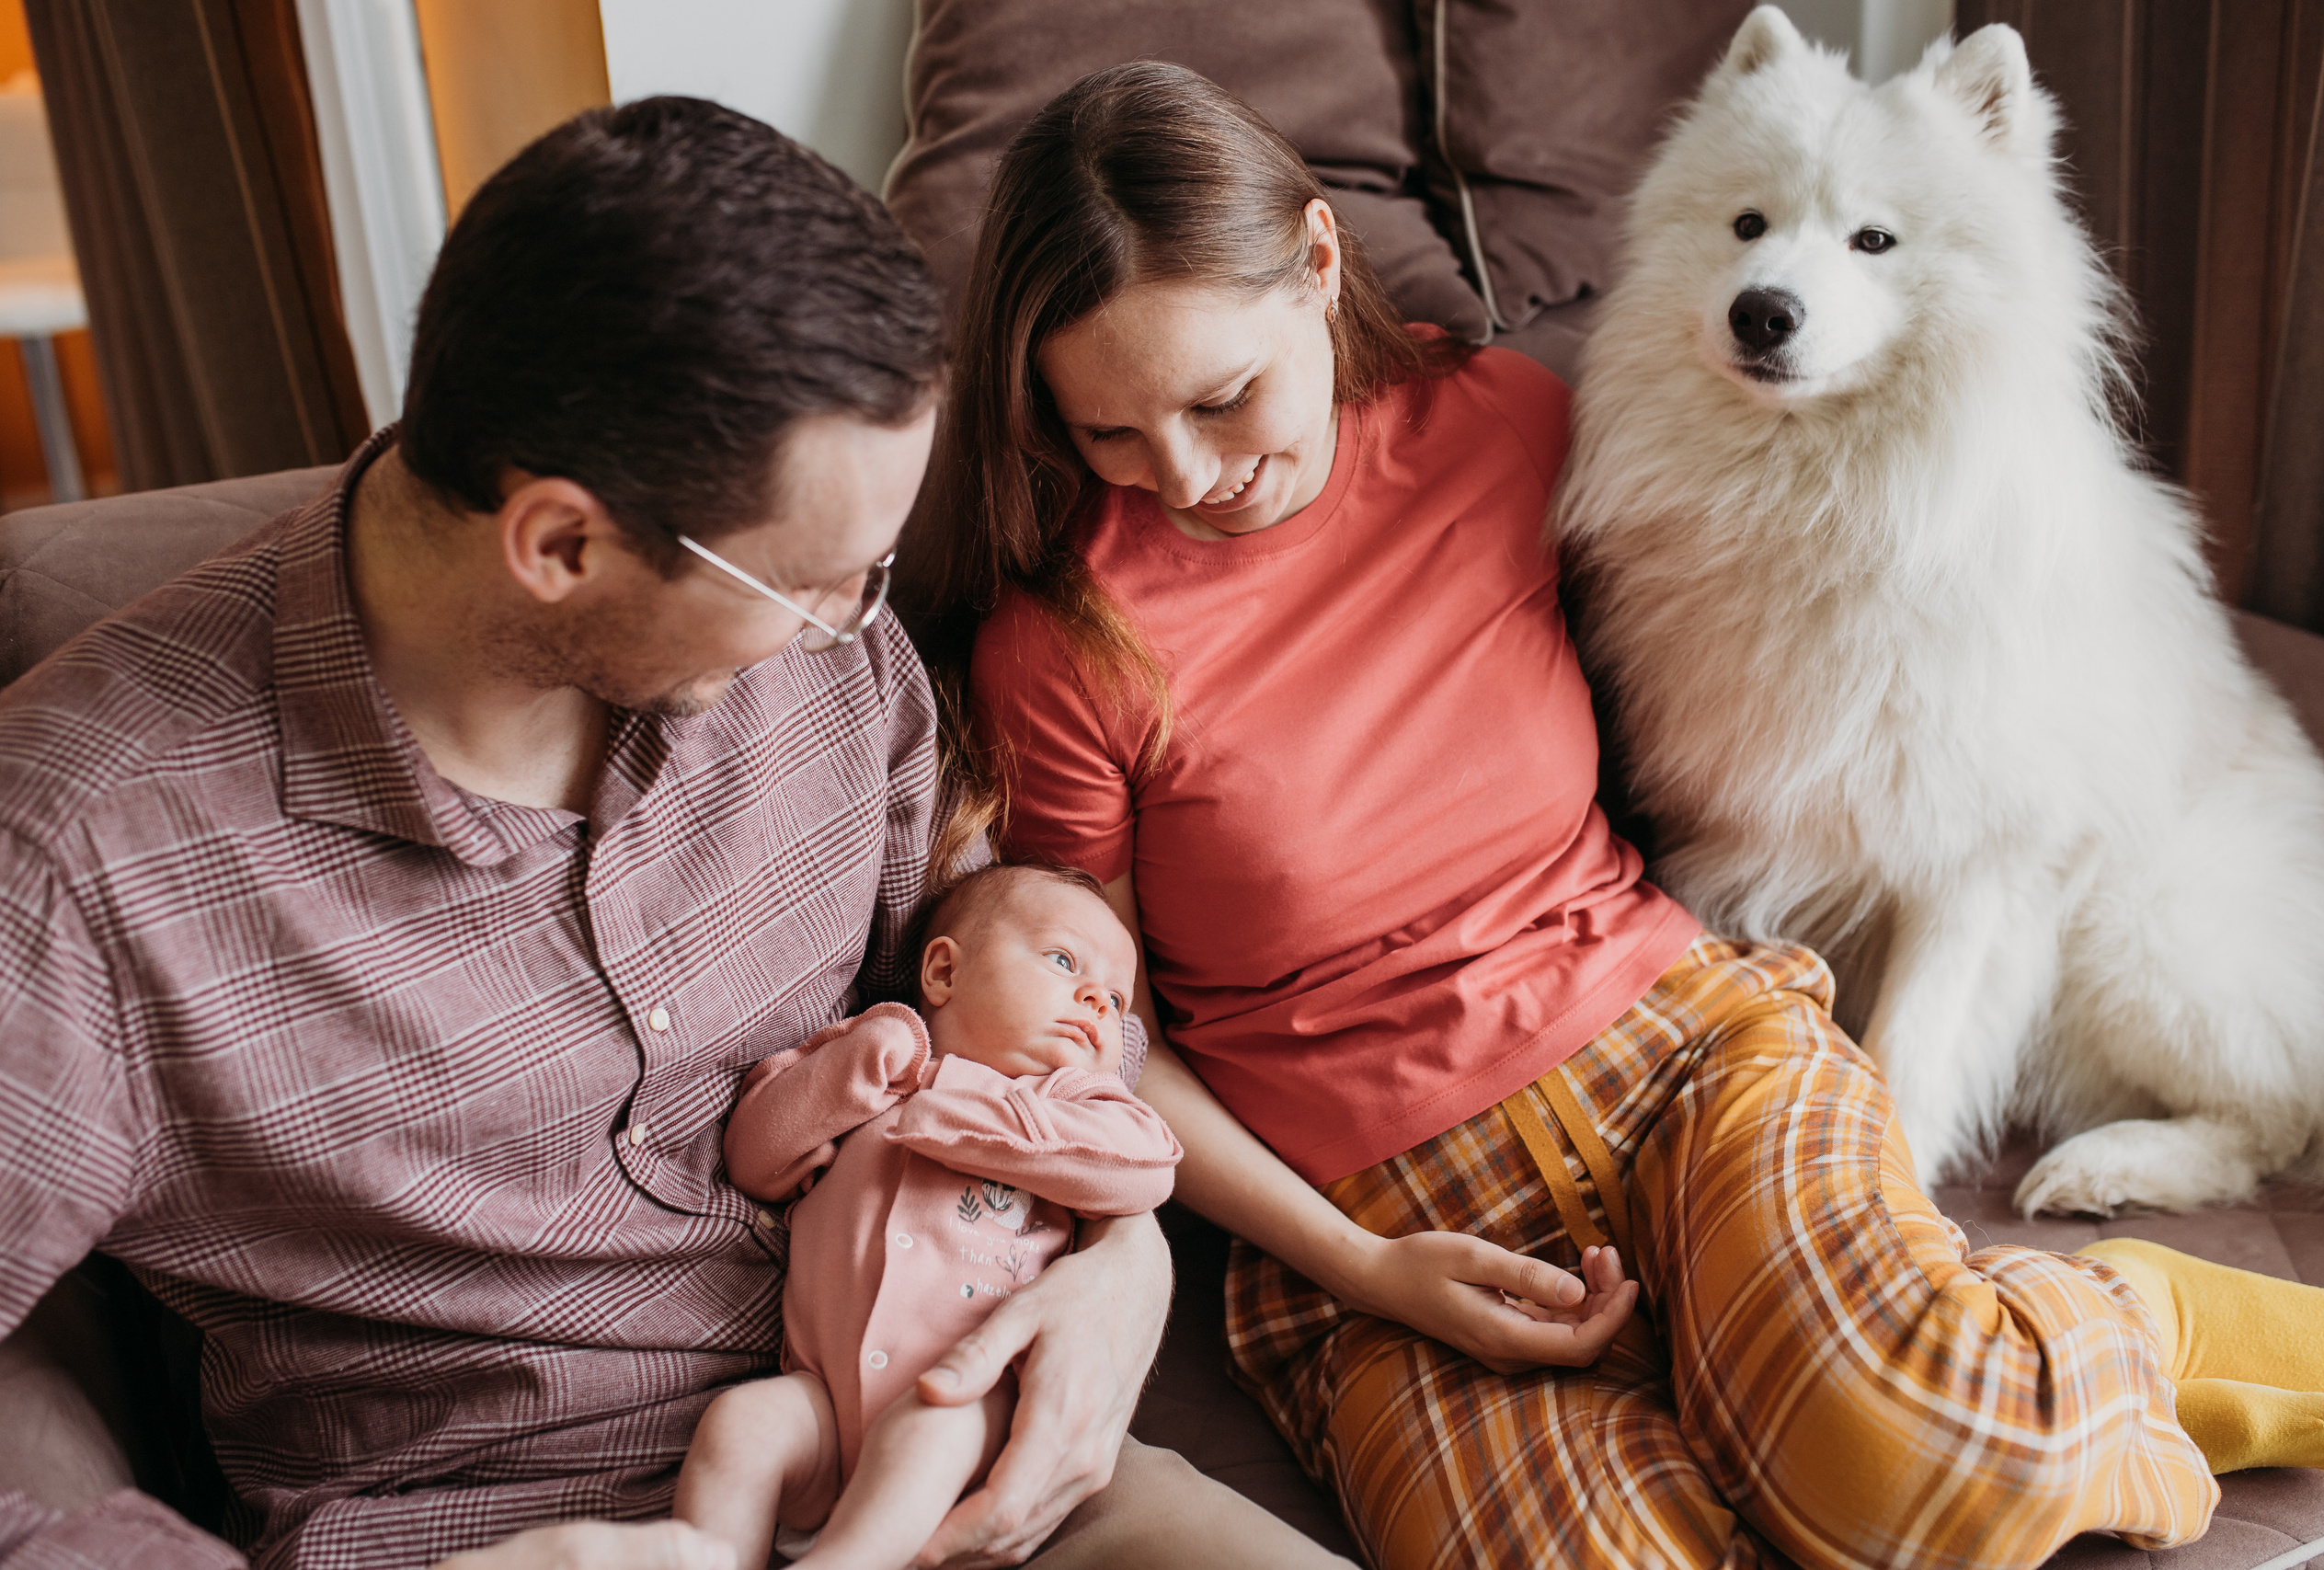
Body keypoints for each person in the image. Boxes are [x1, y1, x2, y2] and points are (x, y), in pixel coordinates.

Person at [902, 60, 2324, 1570]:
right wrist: (1366, 1266)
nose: (1190, 475)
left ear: (1319, 262)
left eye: (1224, 398)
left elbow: (1836, 577)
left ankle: (2146, 1324)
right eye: (1111, 434)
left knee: (1925, 1456)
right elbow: (1104, 1035)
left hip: (1683, 1053)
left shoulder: (1507, 426)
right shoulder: (1066, 642)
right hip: (1376, 1213)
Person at [0, 97, 1349, 1570]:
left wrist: (1120, 1263)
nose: (856, 622)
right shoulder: (78, 853)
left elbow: (1030, 970)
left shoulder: (829, 663)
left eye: (875, 565)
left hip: (970, 1449)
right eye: (813, 581)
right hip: (509, 1528)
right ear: (561, 543)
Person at [676, 865, 1183, 1570]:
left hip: (971, 1409)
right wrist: (854, 1067)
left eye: (1116, 997)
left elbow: (1148, 1165)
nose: (1098, 999)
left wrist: (964, 1114)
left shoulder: (1073, 1107)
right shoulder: (877, 1070)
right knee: (740, 1426)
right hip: (824, 1409)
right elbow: (754, 1159)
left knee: (930, 1428)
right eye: (1065, 961)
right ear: (944, 971)